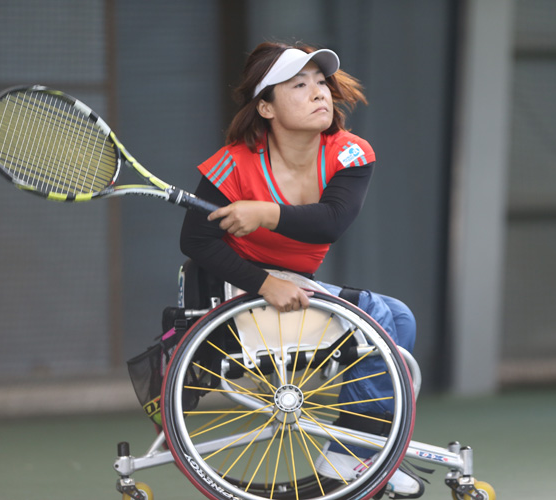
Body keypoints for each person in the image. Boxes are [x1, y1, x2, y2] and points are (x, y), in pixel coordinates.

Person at [180, 42, 421, 496]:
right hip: (237, 290)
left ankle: (359, 450)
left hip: (297, 287)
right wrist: (262, 282)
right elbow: (194, 241)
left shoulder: (352, 153)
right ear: (266, 106)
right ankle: (359, 453)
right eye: (299, 85)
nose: (319, 93)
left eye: (321, 82)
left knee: (401, 317)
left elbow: (332, 220)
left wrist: (264, 213)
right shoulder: (230, 164)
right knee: (379, 316)